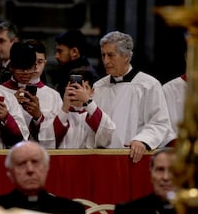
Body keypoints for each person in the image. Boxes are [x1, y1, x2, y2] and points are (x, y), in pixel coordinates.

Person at [93, 31, 175, 163]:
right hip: (103, 159)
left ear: (126, 56)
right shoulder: (98, 86)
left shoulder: (148, 85)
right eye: (103, 55)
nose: (105, 61)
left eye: (110, 55)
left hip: (135, 158)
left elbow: (160, 122)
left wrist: (143, 140)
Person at [112, 148, 198, 214]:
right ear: (151, 174)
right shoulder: (127, 213)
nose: (166, 177)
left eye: (173, 170)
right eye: (160, 170)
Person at [0, 141, 86, 214]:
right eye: (21, 164)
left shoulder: (72, 211)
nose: (30, 170)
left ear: (46, 168)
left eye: (35, 162)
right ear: (10, 173)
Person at [0, 41, 62, 146]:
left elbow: (56, 136)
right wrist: (11, 102)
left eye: (29, 68)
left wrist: (38, 116)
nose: (25, 73)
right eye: (21, 68)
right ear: (11, 67)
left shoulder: (53, 95)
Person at [53, 67, 115, 148]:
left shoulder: (97, 114)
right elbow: (49, 140)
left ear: (92, 91)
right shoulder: (58, 111)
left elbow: (107, 136)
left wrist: (87, 101)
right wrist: (65, 108)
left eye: (85, 87)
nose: (80, 91)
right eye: (76, 87)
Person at [53, 29, 98, 98]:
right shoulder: (65, 71)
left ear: (74, 52)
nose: (56, 56)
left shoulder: (87, 76)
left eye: (60, 51)